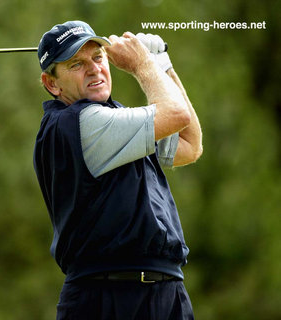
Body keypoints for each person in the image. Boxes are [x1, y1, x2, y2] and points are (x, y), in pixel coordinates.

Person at [33, 20, 203, 319]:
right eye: (76, 64)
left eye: (98, 57)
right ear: (52, 84)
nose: (93, 68)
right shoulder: (78, 123)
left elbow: (190, 144)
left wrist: (162, 64)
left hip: (165, 295)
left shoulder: (119, 119)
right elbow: (175, 114)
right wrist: (142, 64)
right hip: (106, 298)